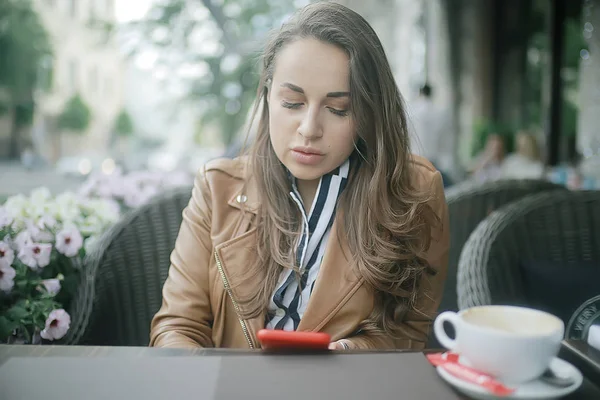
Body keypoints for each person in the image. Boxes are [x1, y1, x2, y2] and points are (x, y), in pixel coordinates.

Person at [150, 2, 449, 350]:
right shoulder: (216, 188)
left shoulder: (415, 192)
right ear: (267, 96)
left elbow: (410, 331)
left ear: (369, 112)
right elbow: (177, 326)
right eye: (292, 103)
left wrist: (353, 353)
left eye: (338, 109)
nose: (309, 129)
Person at [409, 84, 454, 186]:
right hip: (433, 163)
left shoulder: (410, 112)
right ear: (431, 93)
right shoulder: (441, 113)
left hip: (414, 162)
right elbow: (445, 143)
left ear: (420, 93)